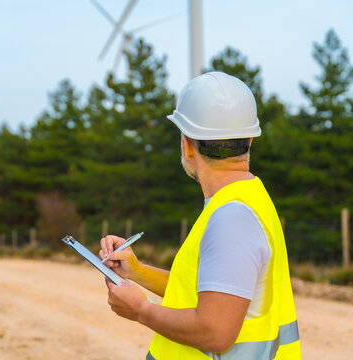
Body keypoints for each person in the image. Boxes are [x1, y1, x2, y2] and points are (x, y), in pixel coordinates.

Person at [99, 72, 301, 359]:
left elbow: (215, 332)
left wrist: (142, 310)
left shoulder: (233, 218)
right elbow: (211, 295)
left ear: (188, 145)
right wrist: (138, 271)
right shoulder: (245, 200)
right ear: (250, 141)